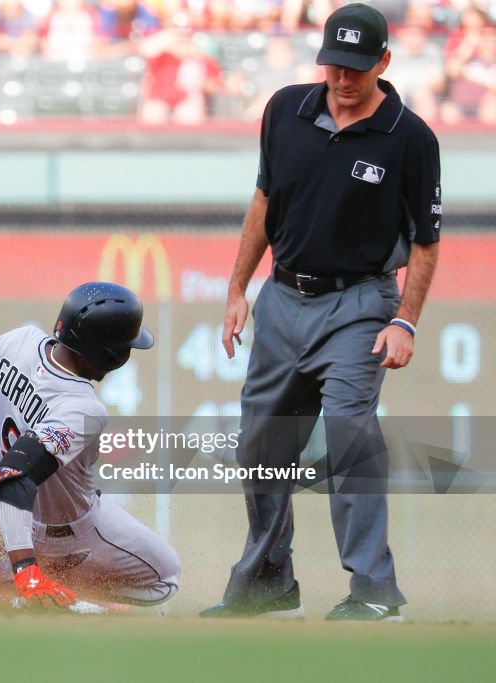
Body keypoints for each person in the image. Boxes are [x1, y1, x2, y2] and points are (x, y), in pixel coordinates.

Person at [202, 3, 441, 622]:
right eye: (335, 63)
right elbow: (263, 198)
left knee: (349, 435)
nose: (343, 77)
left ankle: (372, 591)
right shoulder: (285, 109)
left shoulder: (411, 138)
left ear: (383, 63)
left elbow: (426, 242)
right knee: (260, 444)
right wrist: (237, 291)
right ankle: (269, 585)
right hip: (282, 298)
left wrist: (405, 320)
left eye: (358, 67)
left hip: (361, 304)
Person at [0, 282, 181, 608]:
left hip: (10, 519)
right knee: (166, 578)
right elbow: (12, 480)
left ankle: (14, 582)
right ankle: (37, 593)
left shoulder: (16, 340)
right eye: (126, 346)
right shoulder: (84, 408)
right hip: (67, 535)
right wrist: (25, 568)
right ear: (108, 353)